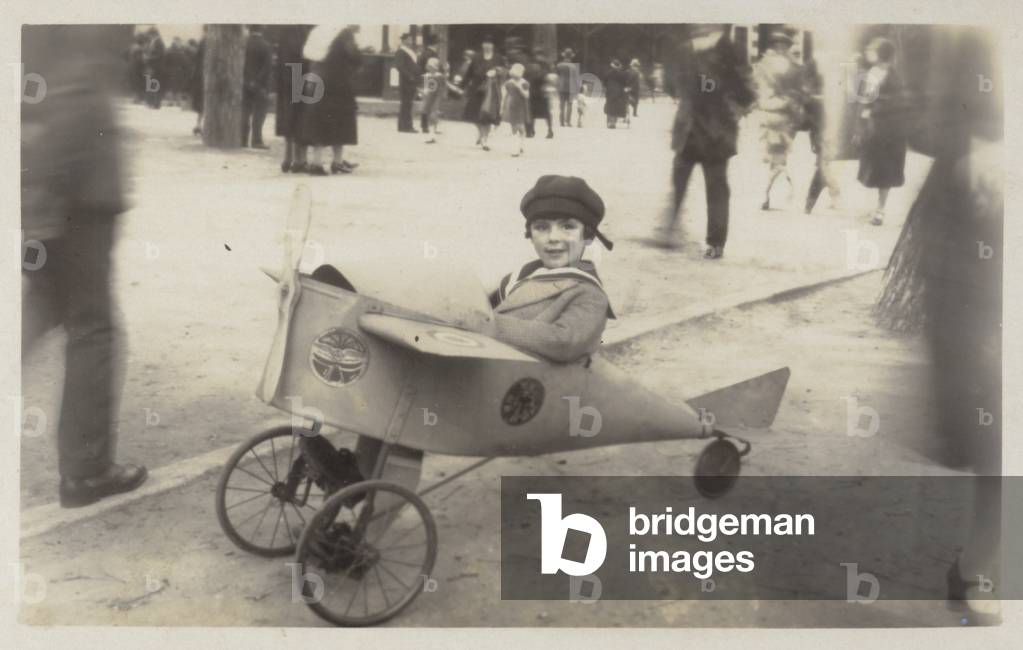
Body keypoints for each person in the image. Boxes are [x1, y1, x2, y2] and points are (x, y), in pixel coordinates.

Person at [21, 25, 147, 508]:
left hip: (53, 189)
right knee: (94, 328)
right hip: (78, 199)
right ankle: (87, 470)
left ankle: (85, 467)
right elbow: (76, 99)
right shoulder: (87, 28)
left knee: (43, 306)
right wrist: (45, 197)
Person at [490, 175, 616, 363]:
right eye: (541, 227)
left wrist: (485, 324)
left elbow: (563, 342)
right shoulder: (518, 277)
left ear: (588, 236)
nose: (553, 238)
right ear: (530, 235)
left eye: (567, 227)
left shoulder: (589, 293)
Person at [659, 24, 756, 259]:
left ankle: (707, 240)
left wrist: (699, 84)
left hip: (706, 131)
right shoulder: (706, 50)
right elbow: (741, 91)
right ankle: (682, 234)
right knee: (698, 184)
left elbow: (740, 91)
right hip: (701, 130)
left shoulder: (721, 51)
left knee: (708, 186)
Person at [855, 36, 908, 226]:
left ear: (880, 53)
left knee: (884, 171)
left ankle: (880, 211)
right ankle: (876, 208)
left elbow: (897, 102)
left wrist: (873, 110)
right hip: (876, 129)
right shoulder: (873, 73)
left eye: (872, 49)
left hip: (888, 130)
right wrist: (860, 125)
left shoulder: (892, 76)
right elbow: (863, 101)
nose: (868, 52)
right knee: (875, 170)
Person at [299, 25, 362, 175]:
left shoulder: (316, 30)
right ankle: (337, 162)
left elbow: (306, 53)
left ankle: (317, 162)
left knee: (317, 121)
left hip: (314, 77)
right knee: (341, 120)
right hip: (335, 81)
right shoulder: (344, 32)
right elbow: (353, 55)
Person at [753, 30, 806, 211]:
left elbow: (754, 89)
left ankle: (766, 194)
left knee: (771, 159)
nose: (781, 48)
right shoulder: (793, 67)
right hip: (782, 117)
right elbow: (799, 93)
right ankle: (768, 193)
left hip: (769, 115)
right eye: (781, 46)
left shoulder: (762, 65)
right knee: (778, 160)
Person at [276, 25, 313, 172]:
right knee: (301, 120)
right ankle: (300, 160)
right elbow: (306, 58)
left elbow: (280, 59)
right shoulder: (303, 32)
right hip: (300, 79)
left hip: (286, 81)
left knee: (289, 120)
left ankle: (288, 158)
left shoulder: (285, 32)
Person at [461, 35, 505, 150]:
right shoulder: (476, 57)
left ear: (493, 45)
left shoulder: (498, 57)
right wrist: (462, 86)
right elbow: (469, 73)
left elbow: (504, 71)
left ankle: (485, 140)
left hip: (492, 90)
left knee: (488, 115)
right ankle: (481, 133)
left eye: (489, 43)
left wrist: (497, 71)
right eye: (485, 43)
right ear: (482, 45)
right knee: (473, 114)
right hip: (477, 89)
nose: (487, 45)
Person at [241, 26, 273, 149]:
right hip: (260, 86)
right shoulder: (266, 46)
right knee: (259, 113)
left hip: (244, 83)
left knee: (244, 111)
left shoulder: (243, 44)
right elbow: (267, 67)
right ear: (262, 30)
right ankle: (256, 140)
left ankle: (242, 139)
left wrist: (246, 80)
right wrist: (257, 81)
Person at [421, 56, 462, 143]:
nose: (430, 68)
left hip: (437, 97)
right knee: (428, 115)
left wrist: (457, 90)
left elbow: (447, 84)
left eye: (432, 66)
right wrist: (424, 92)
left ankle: (432, 135)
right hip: (429, 97)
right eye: (429, 66)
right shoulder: (426, 76)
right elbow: (425, 86)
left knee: (433, 115)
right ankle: (431, 134)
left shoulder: (440, 76)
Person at [524, 47, 553, 139]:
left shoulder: (530, 66)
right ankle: (549, 130)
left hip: (533, 92)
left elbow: (526, 78)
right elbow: (548, 78)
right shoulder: (545, 66)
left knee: (532, 112)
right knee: (546, 113)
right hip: (542, 93)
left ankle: (530, 130)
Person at [502, 62, 530, 156]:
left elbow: (526, 95)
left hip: (520, 107)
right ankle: (518, 147)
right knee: (515, 128)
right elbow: (504, 94)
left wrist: (519, 88)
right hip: (511, 106)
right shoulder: (509, 83)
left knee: (520, 128)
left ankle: (519, 147)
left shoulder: (524, 83)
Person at [395, 32, 419, 133]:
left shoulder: (410, 51)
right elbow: (399, 67)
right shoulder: (401, 52)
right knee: (406, 104)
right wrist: (409, 76)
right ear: (404, 40)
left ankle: (404, 126)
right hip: (406, 82)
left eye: (411, 39)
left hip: (411, 81)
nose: (411, 41)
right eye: (409, 39)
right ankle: (406, 126)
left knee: (408, 104)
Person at [417, 33, 441, 133]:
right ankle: (428, 126)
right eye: (438, 43)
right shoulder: (432, 54)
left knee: (426, 102)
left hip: (425, 79)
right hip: (431, 80)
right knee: (431, 103)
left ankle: (425, 125)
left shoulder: (424, 53)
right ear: (435, 43)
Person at [142, 27, 165, 109]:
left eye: (149, 34)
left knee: (155, 85)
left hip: (156, 68)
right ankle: (151, 103)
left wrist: (148, 58)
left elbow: (159, 55)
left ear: (153, 34)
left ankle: (156, 104)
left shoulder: (159, 43)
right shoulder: (153, 42)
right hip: (151, 67)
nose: (149, 36)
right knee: (151, 84)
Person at [603, 58, 629, 128]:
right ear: (618, 66)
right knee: (616, 107)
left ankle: (609, 122)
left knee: (609, 106)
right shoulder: (622, 74)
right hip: (618, 93)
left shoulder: (607, 73)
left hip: (609, 92)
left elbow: (604, 83)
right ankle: (613, 123)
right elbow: (624, 84)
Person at [555, 48, 578, 127]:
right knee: (569, 105)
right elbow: (575, 78)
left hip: (561, 86)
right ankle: (568, 122)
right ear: (571, 56)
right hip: (571, 86)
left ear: (564, 55)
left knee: (561, 105)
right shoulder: (574, 67)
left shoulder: (559, 65)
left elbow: (557, 76)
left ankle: (561, 122)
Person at [189, 34, 205, 136]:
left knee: (201, 104)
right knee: (203, 104)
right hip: (205, 77)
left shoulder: (203, 41)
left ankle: (199, 125)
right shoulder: (207, 42)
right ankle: (200, 125)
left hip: (200, 77)